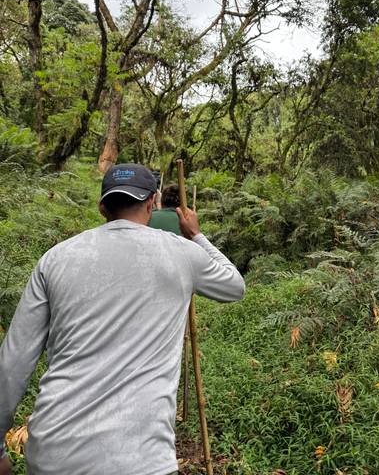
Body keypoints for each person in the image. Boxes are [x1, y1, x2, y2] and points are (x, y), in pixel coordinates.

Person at [0, 163, 245, 475]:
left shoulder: (56, 258)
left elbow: (12, 364)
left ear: (102, 207)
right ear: (152, 203)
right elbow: (234, 286)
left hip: (55, 452)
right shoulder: (182, 253)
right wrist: (196, 235)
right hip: (140, 458)